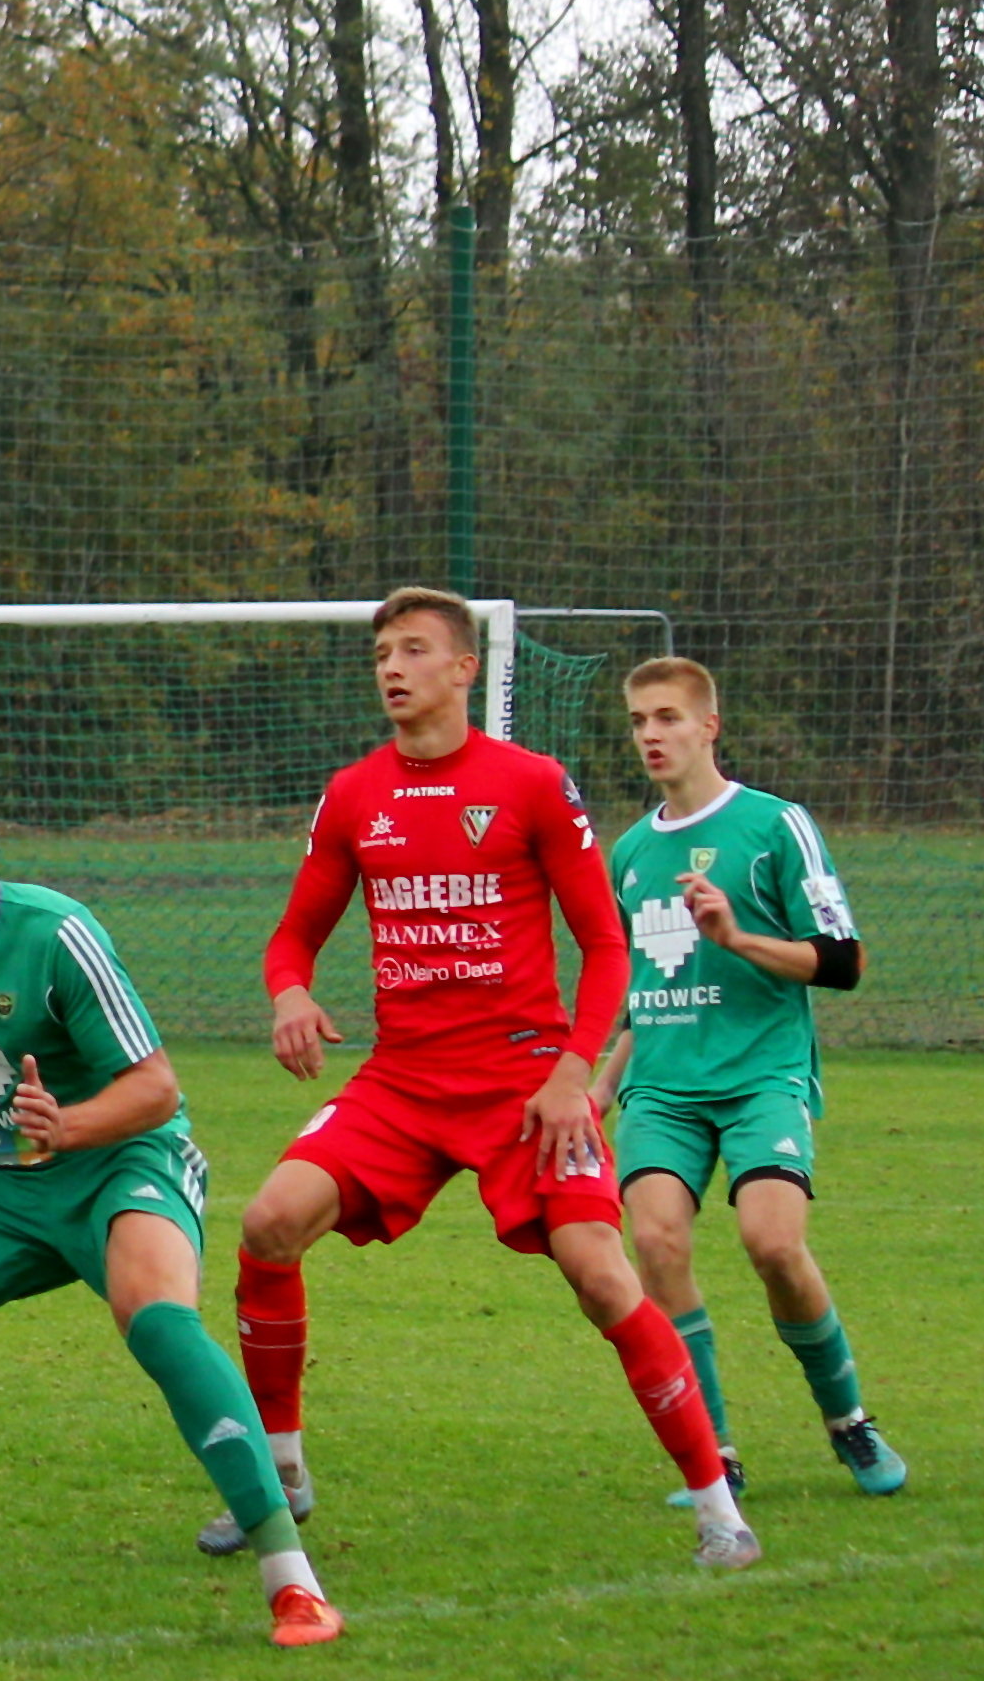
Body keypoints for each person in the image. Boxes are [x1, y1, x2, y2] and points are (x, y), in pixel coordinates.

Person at [237, 587, 756, 1571]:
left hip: (523, 1080)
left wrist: (571, 1071)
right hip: (400, 1081)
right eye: (381, 654)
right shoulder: (353, 794)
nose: (392, 668)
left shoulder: (530, 784)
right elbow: (290, 937)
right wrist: (288, 993)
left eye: (413, 649)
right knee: (268, 1222)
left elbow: (604, 946)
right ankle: (280, 1475)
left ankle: (717, 1509)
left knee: (600, 1273)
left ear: (462, 668)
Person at [0, 769, 340, 1646]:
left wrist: (69, 1125)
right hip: (7, 1178)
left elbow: (156, 1089)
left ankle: (293, 1583)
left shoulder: (53, 933)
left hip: (124, 1159)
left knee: (156, 1317)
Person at [599, 659, 904, 1498]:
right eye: (638, 720)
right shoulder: (629, 851)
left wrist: (735, 938)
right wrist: (597, 1088)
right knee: (656, 1243)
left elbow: (842, 962)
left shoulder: (775, 826)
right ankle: (714, 1456)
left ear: (709, 726)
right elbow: (642, 990)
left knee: (772, 1244)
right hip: (661, 1088)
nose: (650, 734)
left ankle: (847, 1419)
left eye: (667, 716)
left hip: (760, 1077)